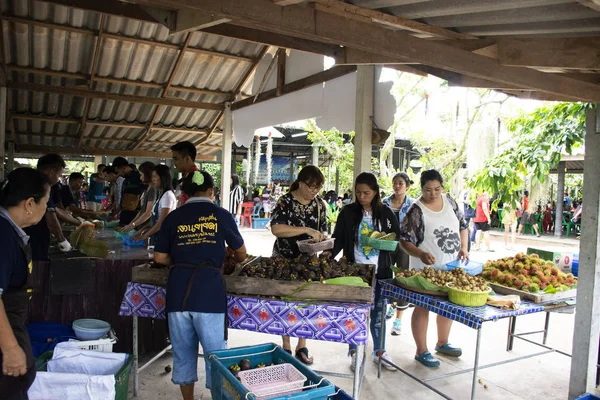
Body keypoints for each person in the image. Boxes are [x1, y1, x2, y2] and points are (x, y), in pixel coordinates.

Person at [154, 170, 246, 400]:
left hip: (177, 294)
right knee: (216, 356)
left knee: (183, 354)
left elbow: (159, 258)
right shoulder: (220, 214)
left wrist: (182, 258)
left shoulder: (174, 217)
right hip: (209, 294)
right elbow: (241, 254)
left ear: (185, 194)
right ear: (211, 191)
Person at [326, 172, 400, 371]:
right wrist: (328, 255)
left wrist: (399, 270)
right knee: (356, 312)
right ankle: (354, 352)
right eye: (358, 192)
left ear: (375, 192)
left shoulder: (387, 214)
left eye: (366, 193)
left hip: (381, 271)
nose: (361, 196)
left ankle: (380, 352)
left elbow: (395, 241)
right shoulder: (348, 212)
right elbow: (338, 238)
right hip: (355, 271)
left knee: (379, 313)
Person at [399, 169, 469, 368]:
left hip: (451, 267)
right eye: (428, 190)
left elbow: (463, 226)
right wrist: (420, 254)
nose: (433, 194)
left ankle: (442, 342)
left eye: (437, 189)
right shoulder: (416, 210)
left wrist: (463, 248)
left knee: (448, 303)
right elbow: (405, 241)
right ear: (421, 189)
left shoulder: (451, 203)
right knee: (423, 306)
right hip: (425, 271)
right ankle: (421, 350)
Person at [0, 168, 51, 399]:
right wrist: (10, 348)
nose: (46, 208)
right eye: (46, 202)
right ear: (30, 203)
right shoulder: (3, 236)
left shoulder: (9, 231)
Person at [270, 166, 327, 365]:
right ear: (300, 183)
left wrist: (321, 240)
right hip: (284, 259)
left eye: (317, 187)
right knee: (284, 302)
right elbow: (276, 229)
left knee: (306, 303)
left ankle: (302, 345)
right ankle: (286, 344)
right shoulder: (285, 202)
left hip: (308, 263)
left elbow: (323, 232)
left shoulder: (320, 205)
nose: (314, 191)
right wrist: (306, 230)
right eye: (311, 187)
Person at [24, 154, 81, 260]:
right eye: (59, 175)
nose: (58, 179)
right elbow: (51, 219)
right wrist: (63, 241)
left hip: (23, 236)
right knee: (37, 267)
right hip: (34, 236)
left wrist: (79, 222)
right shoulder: (43, 186)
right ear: (51, 171)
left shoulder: (30, 181)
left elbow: (56, 209)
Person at [382, 172, 415, 336]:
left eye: (400, 183)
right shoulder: (384, 203)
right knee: (386, 276)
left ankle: (398, 320)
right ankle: (389, 306)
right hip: (387, 245)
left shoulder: (413, 205)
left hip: (405, 247)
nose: (397, 186)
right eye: (395, 182)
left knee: (403, 279)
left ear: (407, 186)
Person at [133, 165, 176, 244]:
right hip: (157, 236)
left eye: (155, 177)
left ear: (163, 178)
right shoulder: (162, 195)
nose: (153, 179)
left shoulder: (167, 196)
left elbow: (161, 222)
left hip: (163, 238)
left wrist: (144, 236)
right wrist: (143, 229)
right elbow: (155, 220)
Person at [119, 162, 157, 233]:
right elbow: (142, 210)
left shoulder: (153, 189)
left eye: (141, 175)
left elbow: (148, 213)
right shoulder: (149, 188)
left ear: (148, 174)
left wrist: (132, 225)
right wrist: (131, 224)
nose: (140, 178)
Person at [112, 157, 144, 227]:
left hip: (135, 217)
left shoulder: (138, 177)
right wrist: (117, 212)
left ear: (123, 168)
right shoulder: (125, 180)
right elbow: (123, 198)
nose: (118, 175)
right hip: (124, 215)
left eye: (118, 172)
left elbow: (144, 194)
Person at [171, 141, 199, 207]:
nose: (174, 163)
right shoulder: (187, 177)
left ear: (187, 159)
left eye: (176, 159)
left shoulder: (197, 179)